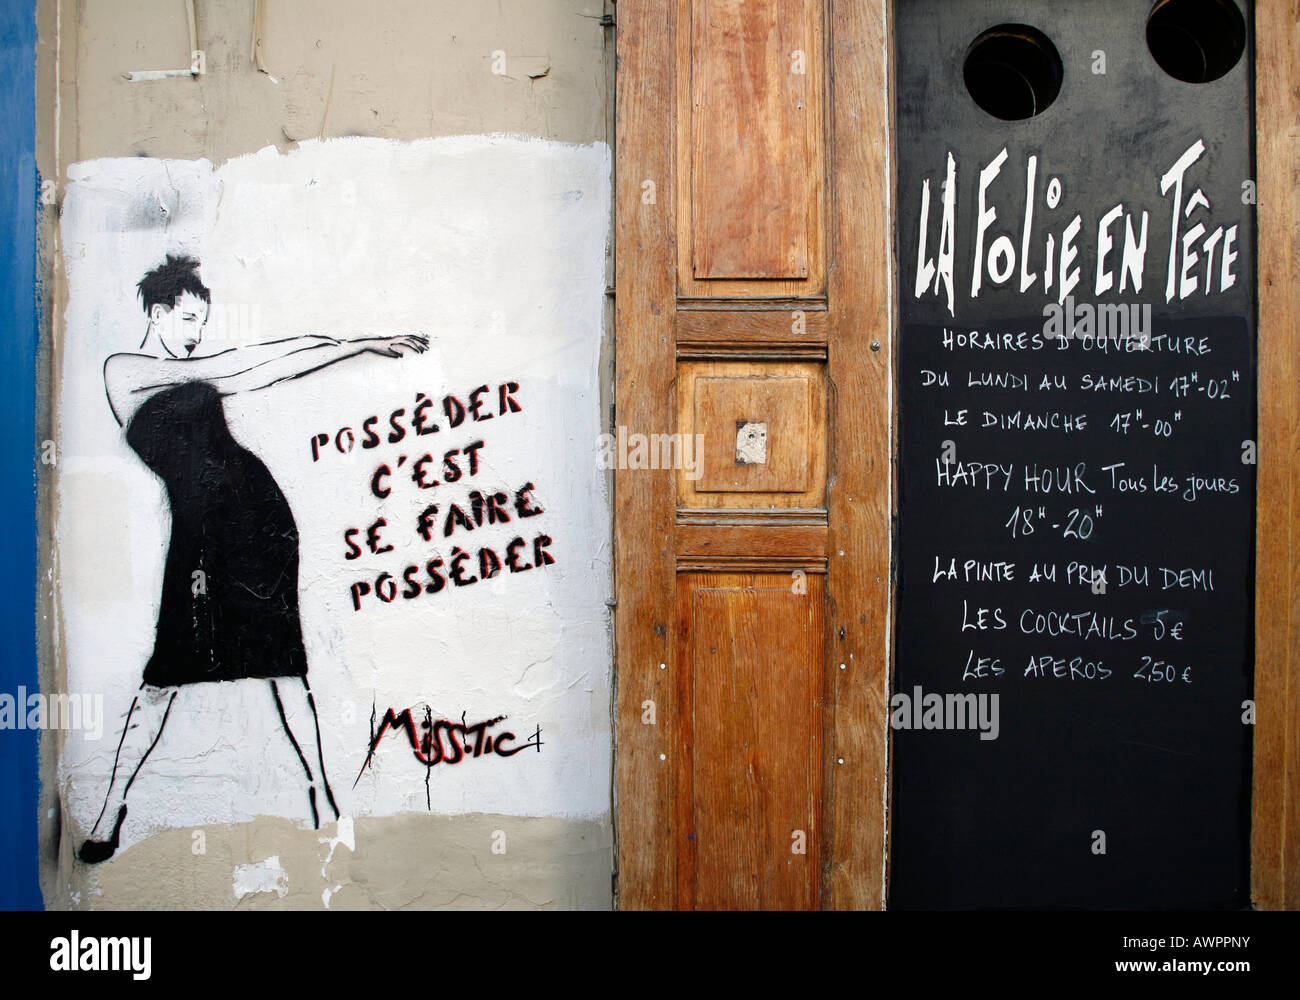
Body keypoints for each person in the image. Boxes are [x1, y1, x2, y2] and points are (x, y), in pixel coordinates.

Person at [79, 254, 426, 863]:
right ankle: (109, 812)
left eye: (202, 322)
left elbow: (272, 362)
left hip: (258, 523)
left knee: (283, 666)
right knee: (163, 676)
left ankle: (325, 798)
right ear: (157, 313)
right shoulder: (125, 371)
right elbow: (238, 362)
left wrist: (356, 345)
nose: (195, 334)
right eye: (187, 320)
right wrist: (354, 343)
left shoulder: (194, 371)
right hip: (199, 538)